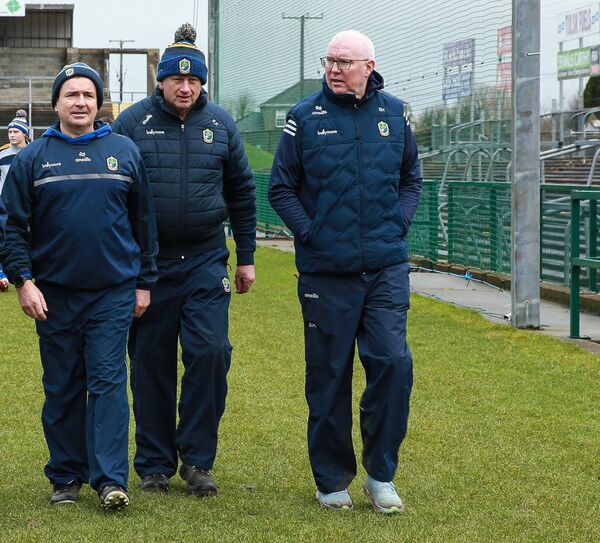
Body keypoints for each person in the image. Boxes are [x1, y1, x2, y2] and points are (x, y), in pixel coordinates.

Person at [269, 30, 423, 514]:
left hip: (385, 268)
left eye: (344, 61)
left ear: (369, 66)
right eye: (329, 61)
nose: (334, 69)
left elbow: (411, 179)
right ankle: (332, 481)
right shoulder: (303, 117)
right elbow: (281, 188)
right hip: (325, 272)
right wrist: (310, 233)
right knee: (329, 376)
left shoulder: (395, 114)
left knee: (392, 364)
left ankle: (381, 477)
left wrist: (396, 223)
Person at [0, 62, 158, 510]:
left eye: (88, 94)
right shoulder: (33, 158)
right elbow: (12, 228)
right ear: (56, 103)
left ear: (98, 101)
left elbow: (143, 223)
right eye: (71, 94)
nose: (81, 102)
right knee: (63, 385)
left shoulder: (124, 151)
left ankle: (110, 480)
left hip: (112, 292)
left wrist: (144, 283)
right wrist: (24, 282)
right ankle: (66, 476)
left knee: (108, 383)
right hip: (53, 294)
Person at [113, 23, 256, 496]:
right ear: (161, 80)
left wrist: (246, 257)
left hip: (204, 260)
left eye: (194, 80)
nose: (186, 87)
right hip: (149, 267)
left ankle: (197, 459)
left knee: (211, 353)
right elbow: (114, 194)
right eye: (177, 79)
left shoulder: (221, 124)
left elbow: (241, 191)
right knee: (150, 363)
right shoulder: (131, 123)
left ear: (202, 84)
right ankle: (154, 464)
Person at [0, 109, 30, 291]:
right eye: (10, 131)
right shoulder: (1, 155)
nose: (11, 135)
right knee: (4, 237)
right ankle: (3, 275)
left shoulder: (32, 153)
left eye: (16, 131)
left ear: (24, 133)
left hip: (27, 203)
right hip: (5, 203)